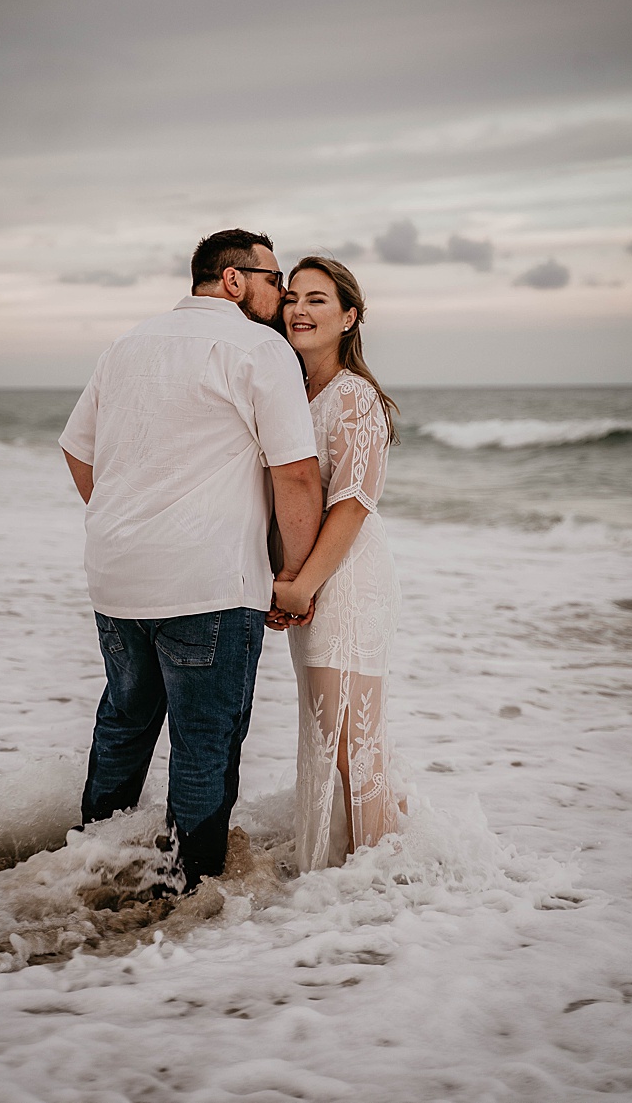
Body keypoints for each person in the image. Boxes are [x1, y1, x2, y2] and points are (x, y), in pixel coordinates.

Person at [60, 229, 323, 890]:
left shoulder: (126, 345)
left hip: (118, 575)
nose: (282, 294)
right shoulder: (259, 347)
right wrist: (293, 575)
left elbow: (76, 450)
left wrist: (127, 522)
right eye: (274, 279)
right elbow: (296, 474)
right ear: (234, 280)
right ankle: (190, 894)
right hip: (209, 582)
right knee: (205, 742)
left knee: (123, 725)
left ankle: (84, 870)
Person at [263, 256, 405, 871]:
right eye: (292, 297)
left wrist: (302, 585)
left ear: (349, 318)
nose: (298, 309)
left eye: (317, 299)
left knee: (350, 740)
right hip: (312, 579)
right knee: (331, 735)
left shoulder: (354, 396)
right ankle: (352, 867)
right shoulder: (296, 394)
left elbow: (352, 504)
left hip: (346, 579)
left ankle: (381, 878)